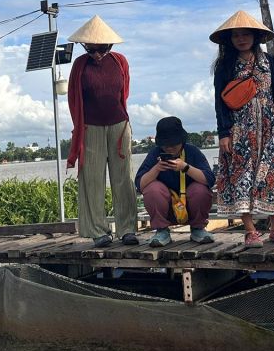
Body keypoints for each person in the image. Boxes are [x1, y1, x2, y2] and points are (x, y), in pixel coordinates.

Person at [211, 10, 274, 247]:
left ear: (255, 36)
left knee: (271, 176)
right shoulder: (225, 66)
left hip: (270, 127)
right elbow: (219, 102)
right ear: (230, 40)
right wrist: (223, 133)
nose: (241, 39)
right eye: (236, 35)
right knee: (242, 176)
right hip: (240, 128)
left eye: (245, 34)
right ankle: (250, 231)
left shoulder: (270, 62)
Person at [66, 15, 138, 247]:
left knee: (123, 178)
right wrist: (79, 129)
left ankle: (127, 229)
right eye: (92, 49)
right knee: (91, 179)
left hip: (119, 124)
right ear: (85, 46)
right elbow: (73, 99)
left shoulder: (120, 61)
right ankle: (98, 231)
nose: (97, 54)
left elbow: (123, 93)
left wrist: (122, 121)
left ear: (110, 45)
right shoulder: (80, 65)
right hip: (90, 127)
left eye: (102, 49)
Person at [134, 116, 216, 247]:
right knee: (152, 189)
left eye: (173, 144)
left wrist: (186, 167)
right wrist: (156, 169)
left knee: (200, 189)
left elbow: (209, 180)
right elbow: (140, 184)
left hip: (190, 208)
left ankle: (198, 229)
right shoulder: (155, 153)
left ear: (182, 141)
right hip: (167, 209)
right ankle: (161, 230)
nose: (170, 149)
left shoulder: (192, 151)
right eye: (166, 146)